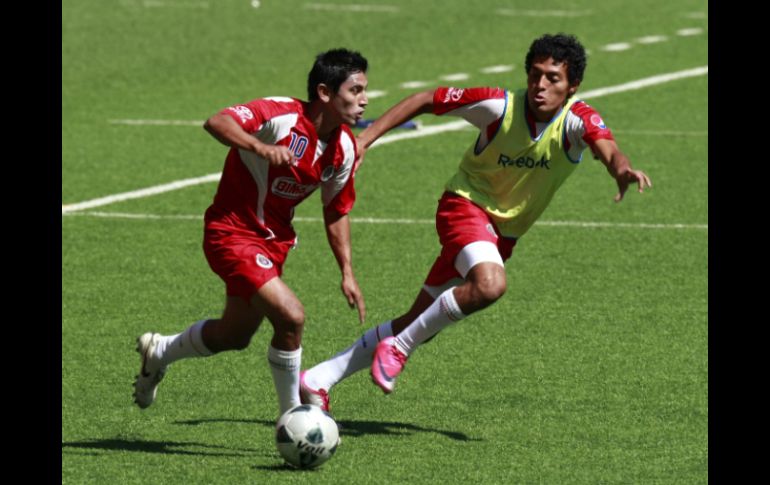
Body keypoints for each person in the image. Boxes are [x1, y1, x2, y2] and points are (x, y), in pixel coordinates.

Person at [299, 34, 652, 410]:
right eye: (535, 75)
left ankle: (318, 379)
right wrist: (365, 140)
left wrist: (622, 170)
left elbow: (609, 149)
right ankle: (399, 348)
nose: (540, 85)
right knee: (489, 284)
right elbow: (425, 100)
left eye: (553, 78)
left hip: (502, 236)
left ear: (573, 86)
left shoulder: (577, 121)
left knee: (420, 322)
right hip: (464, 208)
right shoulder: (498, 106)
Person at [133, 48, 370, 416]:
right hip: (231, 232)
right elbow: (217, 122)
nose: (364, 100)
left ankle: (160, 351)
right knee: (291, 316)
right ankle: (292, 418)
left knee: (234, 335)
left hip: (274, 244)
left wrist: (347, 271)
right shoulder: (281, 115)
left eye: (364, 90)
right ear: (324, 92)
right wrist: (259, 146)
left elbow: (336, 210)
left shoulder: (344, 148)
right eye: (355, 90)